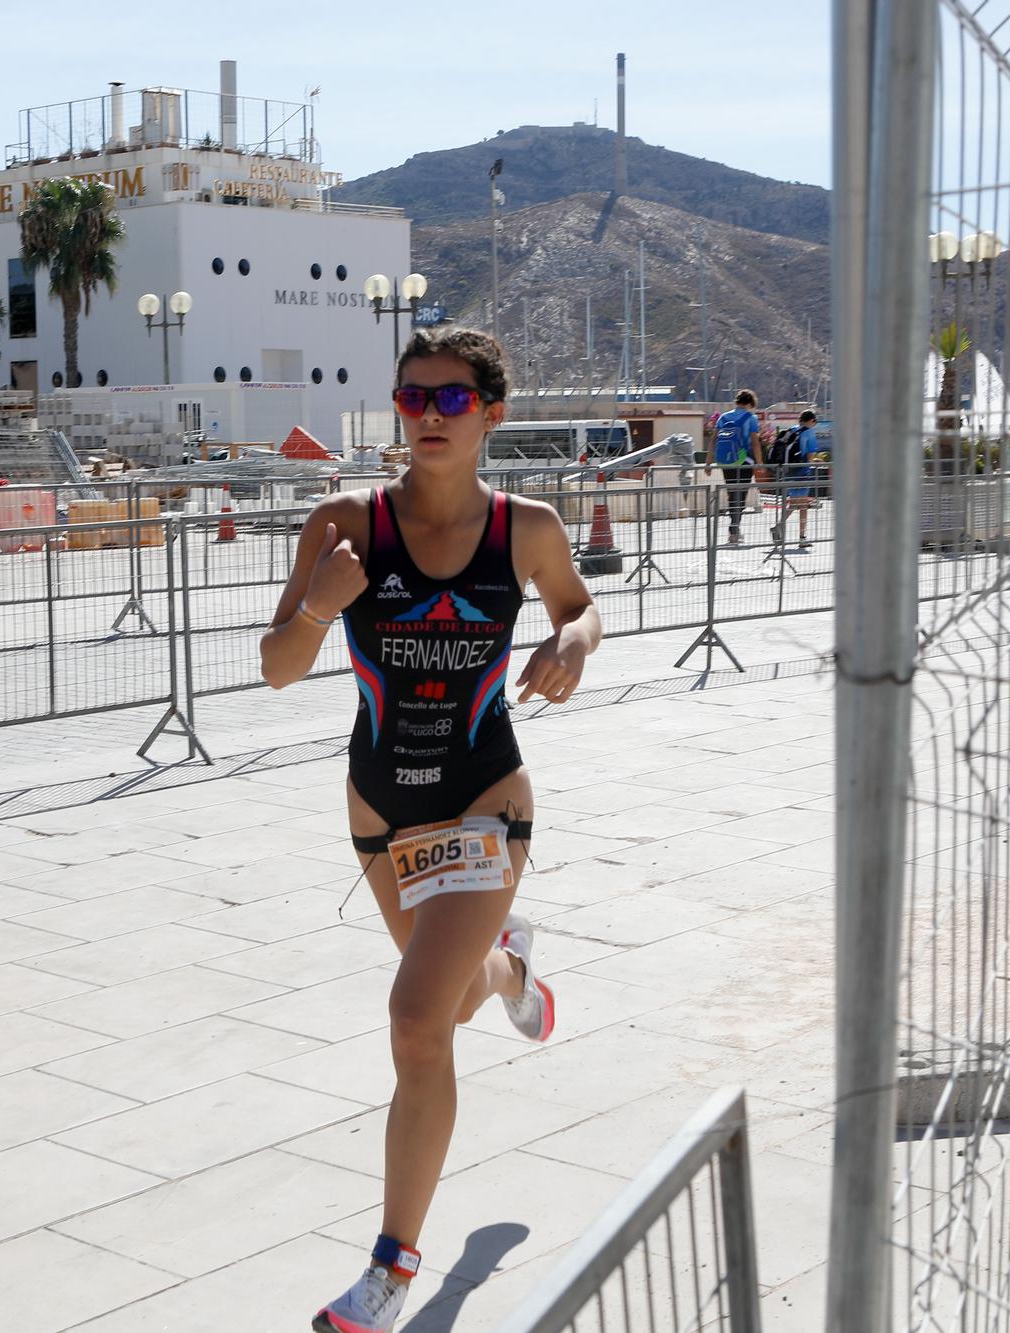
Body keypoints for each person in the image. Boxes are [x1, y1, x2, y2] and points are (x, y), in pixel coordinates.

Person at [260, 325, 601, 1333]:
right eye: (411, 399)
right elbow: (277, 667)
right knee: (446, 1010)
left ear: (491, 413)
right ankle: (509, 970)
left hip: (485, 798)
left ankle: (388, 1271)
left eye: (450, 400)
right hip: (380, 814)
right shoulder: (340, 522)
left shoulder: (526, 527)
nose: (427, 417)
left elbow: (578, 606)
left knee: (413, 1019)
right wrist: (319, 609)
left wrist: (568, 644)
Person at [710, 389, 764, 545]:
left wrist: (708, 462)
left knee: (732, 493)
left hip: (725, 461)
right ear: (749, 403)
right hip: (743, 461)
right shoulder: (750, 418)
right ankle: (734, 530)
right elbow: (755, 442)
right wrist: (759, 463)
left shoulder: (724, 417)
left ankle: (734, 529)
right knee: (741, 495)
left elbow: (714, 440)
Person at [772, 409, 823, 546]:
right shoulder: (809, 432)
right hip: (802, 472)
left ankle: (785, 529)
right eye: (815, 421)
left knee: (797, 504)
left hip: (789, 471)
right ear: (811, 420)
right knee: (802, 505)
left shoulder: (792, 429)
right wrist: (816, 461)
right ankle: (801, 538)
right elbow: (810, 457)